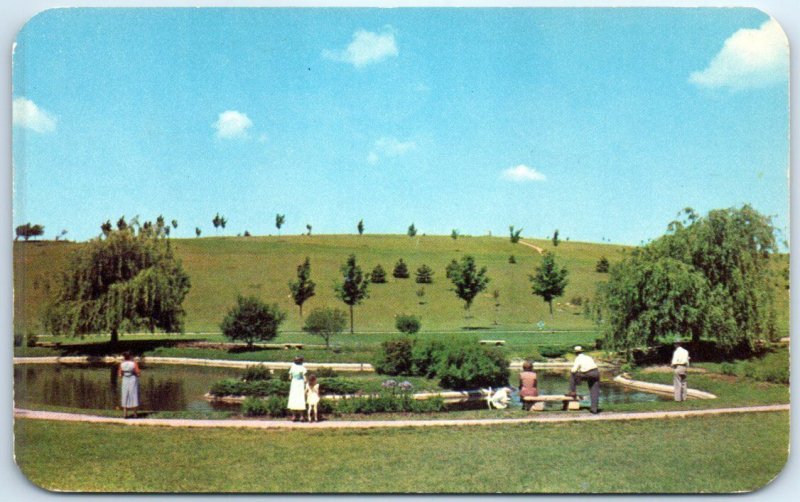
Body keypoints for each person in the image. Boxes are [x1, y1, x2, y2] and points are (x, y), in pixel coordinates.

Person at [566, 346, 600, 414]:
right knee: (594, 391)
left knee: (572, 374)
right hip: (596, 373)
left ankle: (572, 391)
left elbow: (574, 370)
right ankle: (594, 409)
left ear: (575, 353)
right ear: (582, 351)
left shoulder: (578, 358)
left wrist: (577, 376)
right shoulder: (588, 357)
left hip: (588, 373)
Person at [118, 351, 141, 418]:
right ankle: (135, 414)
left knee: (125, 395)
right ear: (131, 356)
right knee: (134, 395)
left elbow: (120, 374)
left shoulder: (121, 364)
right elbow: (138, 373)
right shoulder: (134, 363)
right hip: (133, 380)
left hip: (125, 380)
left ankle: (125, 414)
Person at [287, 356, 307, 421]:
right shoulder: (302, 367)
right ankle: (301, 416)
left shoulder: (292, 367)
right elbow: (305, 379)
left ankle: (294, 416)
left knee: (293, 398)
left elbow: (290, 377)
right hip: (300, 383)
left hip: (294, 383)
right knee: (300, 398)